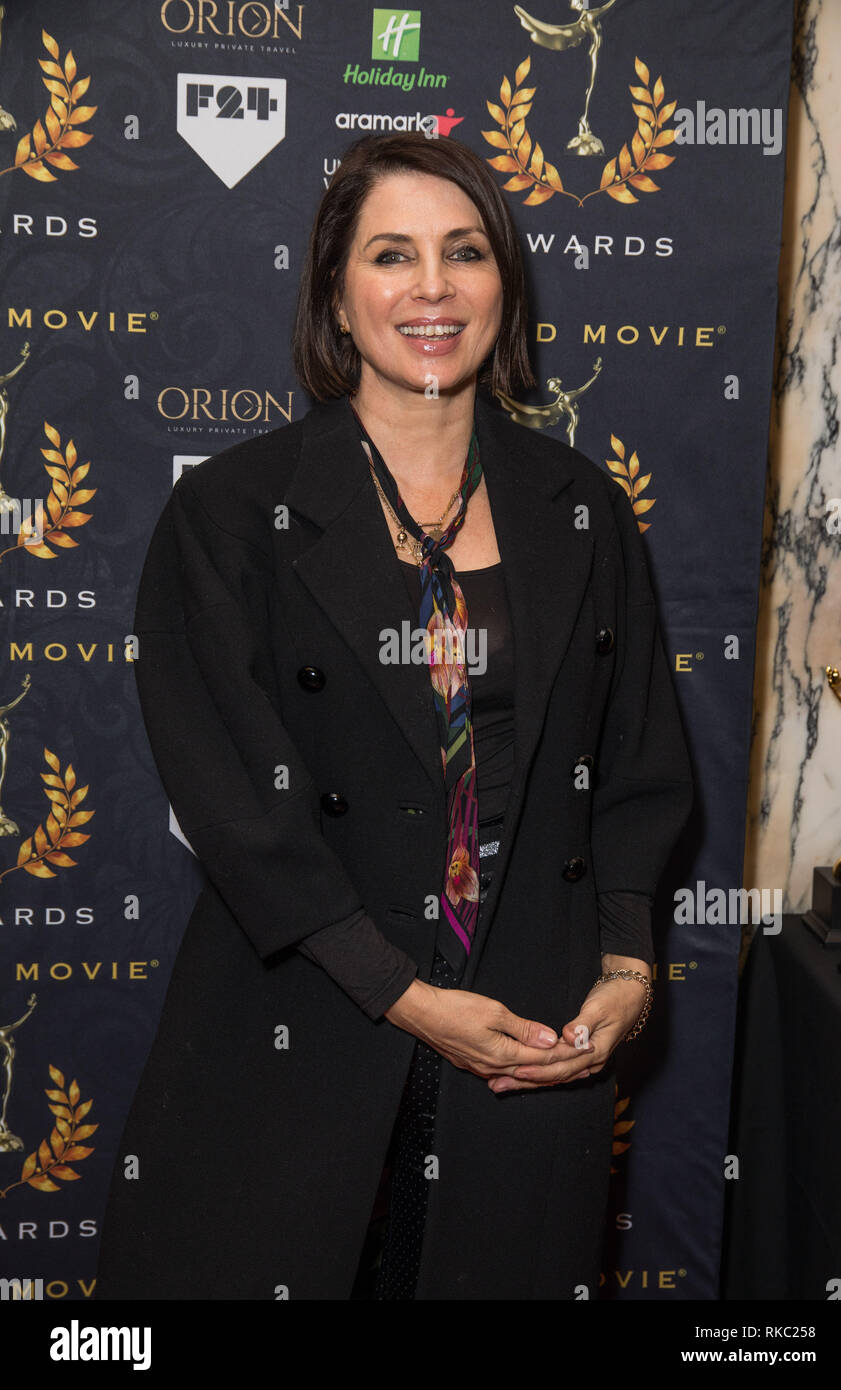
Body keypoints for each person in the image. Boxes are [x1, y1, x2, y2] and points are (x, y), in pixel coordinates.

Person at [95, 132, 692, 1302]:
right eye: (391, 254)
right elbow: (232, 803)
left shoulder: (582, 508)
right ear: (334, 292)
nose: (431, 286)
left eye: (463, 252)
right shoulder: (229, 513)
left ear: (502, 286)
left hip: (526, 1041)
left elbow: (640, 765)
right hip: (303, 1021)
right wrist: (403, 996)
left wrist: (626, 961)